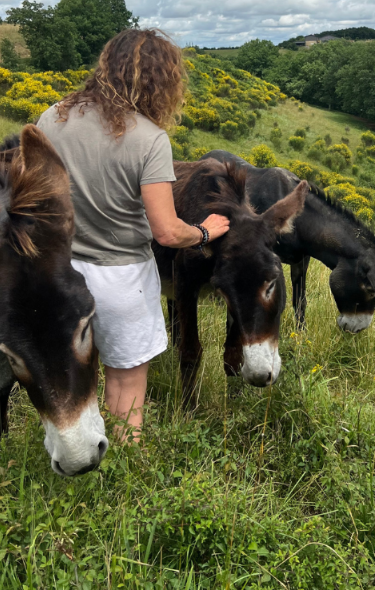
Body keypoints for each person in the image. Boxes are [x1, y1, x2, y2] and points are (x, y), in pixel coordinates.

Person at [37, 28, 229, 442]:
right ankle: (123, 476)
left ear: (106, 66)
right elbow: (166, 231)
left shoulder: (51, 119)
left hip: (59, 273)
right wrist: (203, 231)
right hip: (121, 280)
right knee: (125, 383)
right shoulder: (149, 139)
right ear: (164, 81)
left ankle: (72, 453)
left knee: (70, 379)